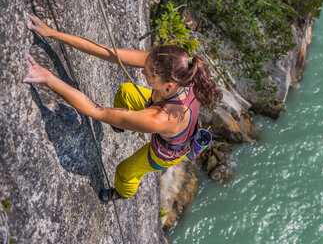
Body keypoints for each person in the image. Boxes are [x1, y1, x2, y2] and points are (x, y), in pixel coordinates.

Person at [23, 15, 221, 202]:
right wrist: (53, 34)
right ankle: (121, 126)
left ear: (168, 85)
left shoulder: (158, 119)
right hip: (168, 112)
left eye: (148, 73)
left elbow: (96, 110)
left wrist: (48, 79)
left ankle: (120, 193)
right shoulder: (180, 72)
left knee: (125, 172)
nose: (142, 70)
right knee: (126, 91)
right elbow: (109, 53)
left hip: (168, 150)